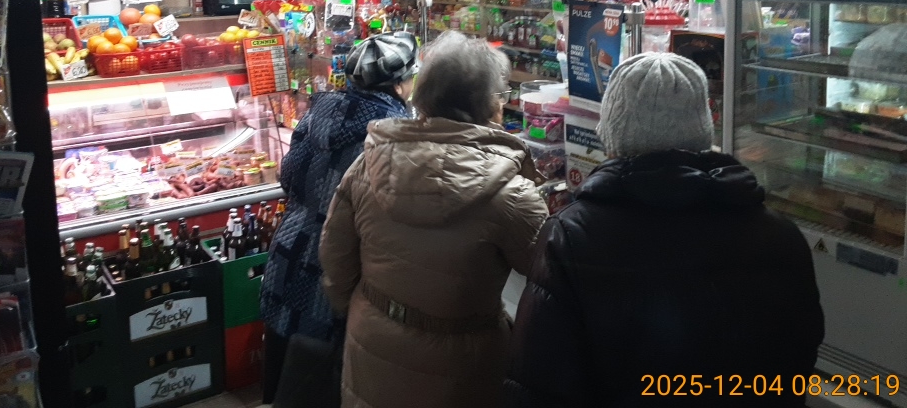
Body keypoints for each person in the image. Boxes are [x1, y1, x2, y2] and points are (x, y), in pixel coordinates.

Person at [505, 52, 824, 407]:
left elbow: (541, 381)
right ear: (702, 126)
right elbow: (797, 359)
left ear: (611, 131)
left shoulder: (572, 236)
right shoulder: (780, 235)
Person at [320, 31, 548, 408]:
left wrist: (368, 310)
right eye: (500, 95)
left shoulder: (369, 164)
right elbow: (549, 282)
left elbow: (335, 260)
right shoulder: (511, 194)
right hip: (461, 365)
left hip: (371, 343)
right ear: (487, 104)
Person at [259, 31, 418, 405]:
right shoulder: (392, 133)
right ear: (399, 85)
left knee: (283, 378)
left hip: (289, 253)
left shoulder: (320, 110)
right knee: (323, 382)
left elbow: (288, 178)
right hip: (336, 272)